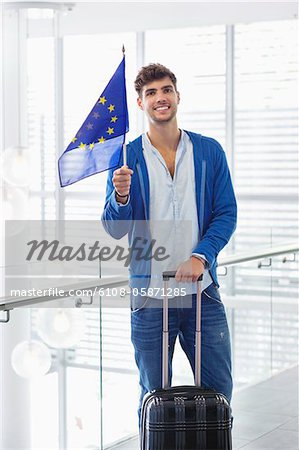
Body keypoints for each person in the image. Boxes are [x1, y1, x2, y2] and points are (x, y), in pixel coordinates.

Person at [102, 63, 237, 423]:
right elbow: (114, 229)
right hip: (149, 296)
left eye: (166, 90)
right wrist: (121, 196)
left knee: (218, 392)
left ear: (177, 96)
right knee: (154, 395)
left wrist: (201, 256)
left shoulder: (209, 152)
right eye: (151, 93)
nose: (160, 98)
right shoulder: (126, 158)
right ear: (139, 103)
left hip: (202, 293)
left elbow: (226, 213)